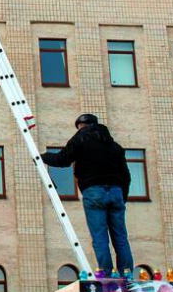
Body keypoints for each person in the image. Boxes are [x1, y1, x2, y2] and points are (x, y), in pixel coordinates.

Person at [41, 114, 133, 276]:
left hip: (94, 191)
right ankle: (126, 273)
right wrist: (122, 198)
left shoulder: (80, 140)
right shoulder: (114, 146)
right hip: (116, 192)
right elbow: (126, 175)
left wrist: (42, 157)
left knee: (100, 238)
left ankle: (107, 274)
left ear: (82, 126)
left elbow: (63, 159)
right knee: (120, 237)